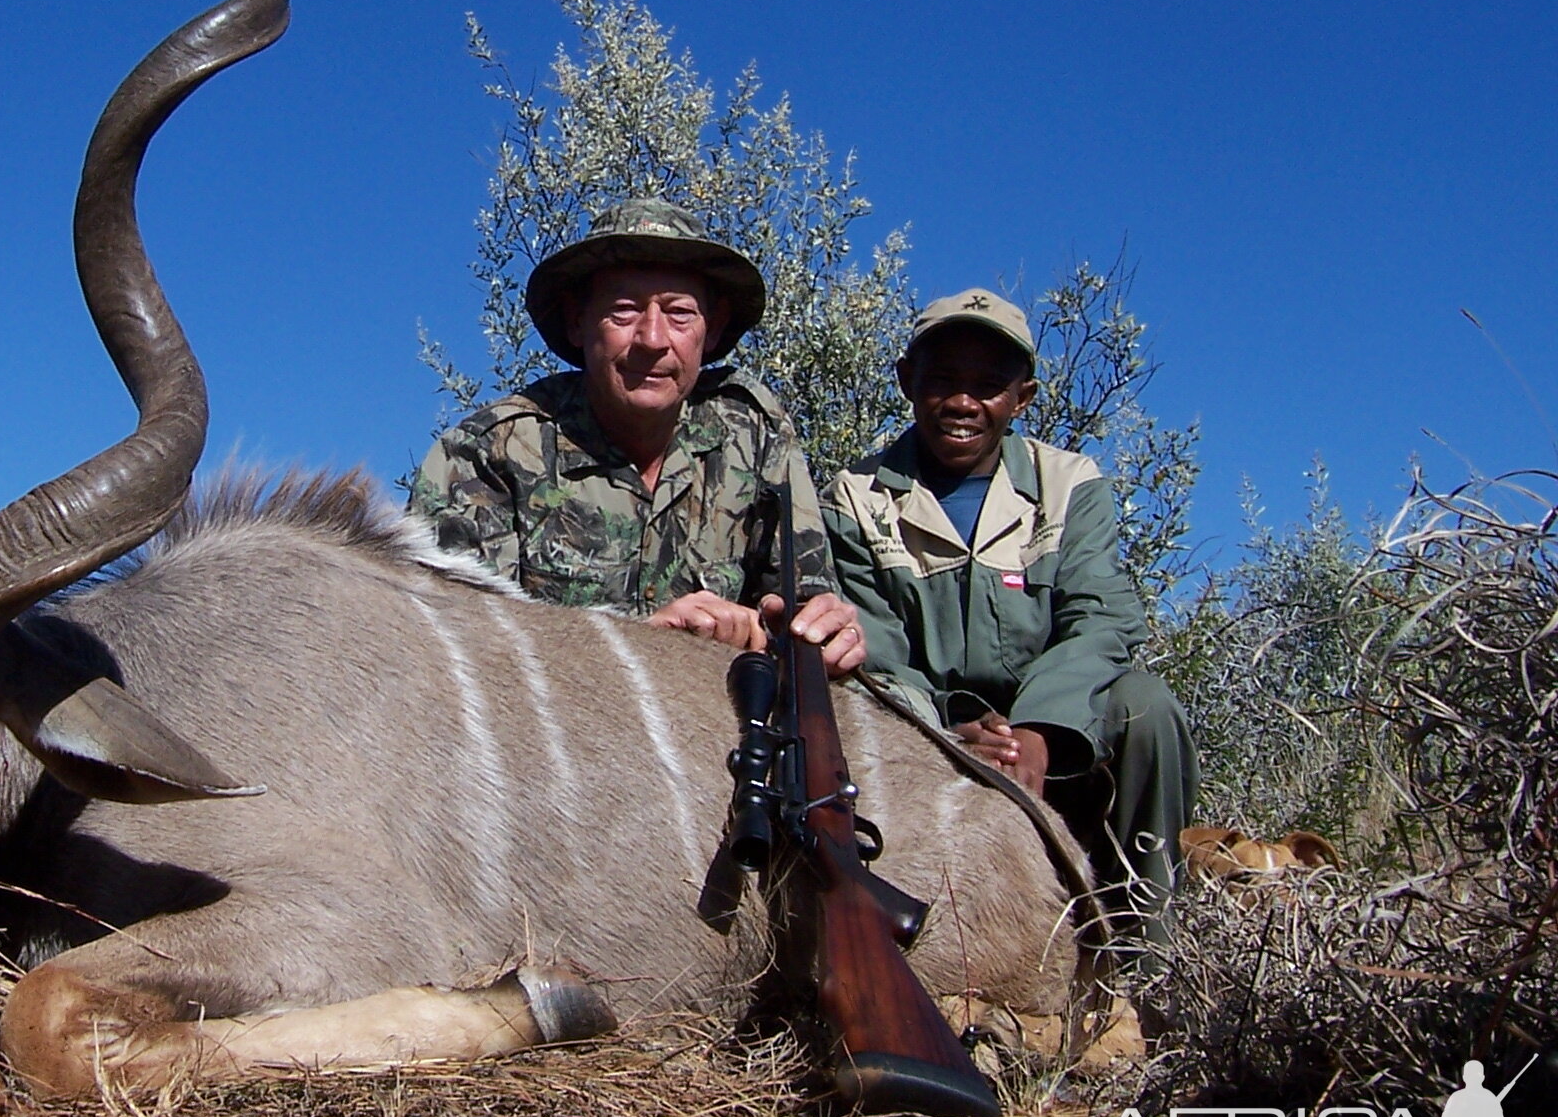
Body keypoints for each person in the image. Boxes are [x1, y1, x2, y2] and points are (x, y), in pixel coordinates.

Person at [822, 288, 1198, 947]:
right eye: (943, 380)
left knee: (1147, 709)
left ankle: (1145, 956)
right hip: (929, 736)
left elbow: (1103, 618)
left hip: (1053, 729)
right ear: (907, 381)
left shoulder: (1069, 483)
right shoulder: (856, 497)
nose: (964, 402)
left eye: (989, 386)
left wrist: (1042, 730)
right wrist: (943, 735)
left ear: (1022, 399)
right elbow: (871, 647)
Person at [409, 198, 863, 669]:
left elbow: (807, 603)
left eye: (679, 313)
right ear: (577, 322)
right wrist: (642, 643)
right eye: (623, 311)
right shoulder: (485, 454)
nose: (651, 338)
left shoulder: (755, 432)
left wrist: (823, 632)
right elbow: (451, 652)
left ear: (713, 329)